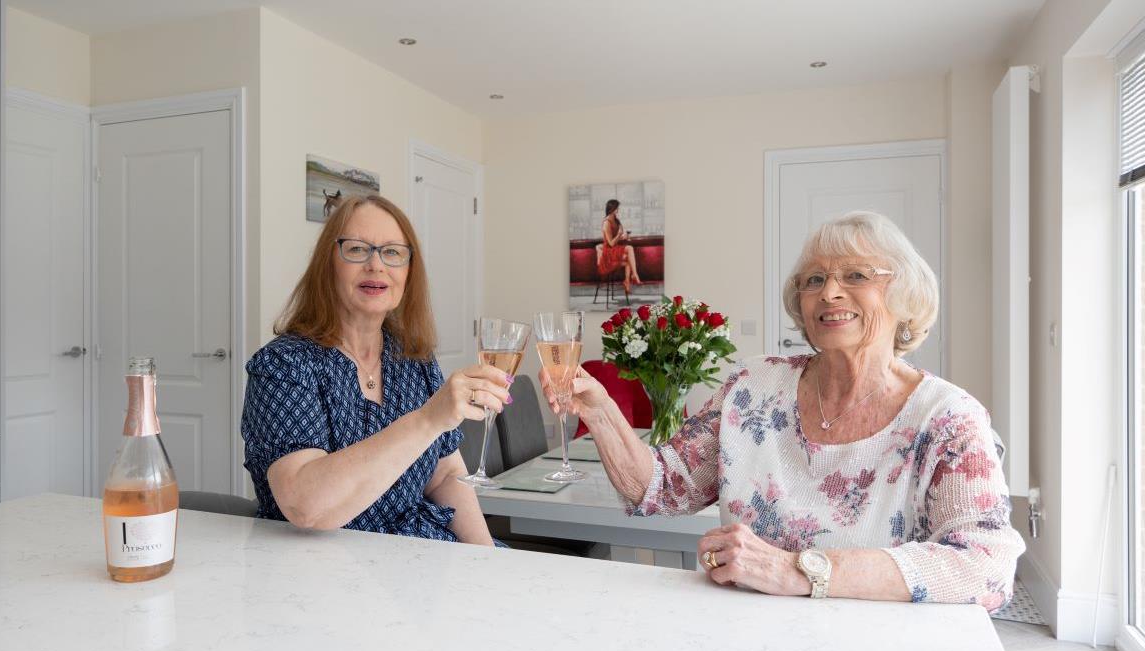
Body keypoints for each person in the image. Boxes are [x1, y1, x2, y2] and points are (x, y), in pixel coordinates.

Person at [546, 211, 1023, 607]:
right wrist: (601, 409)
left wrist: (798, 570)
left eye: (855, 275)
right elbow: (659, 488)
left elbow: (987, 569)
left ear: (905, 296)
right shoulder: (754, 387)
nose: (829, 292)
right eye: (814, 280)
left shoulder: (946, 418)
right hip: (744, 641)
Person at [242, 194, 508, 546]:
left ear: (409, 272)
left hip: (418, 556)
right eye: (356, 249)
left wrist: (485, 556)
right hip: (319, 574)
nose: (376, 265)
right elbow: (306, 507)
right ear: (328, 264)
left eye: (393, 252)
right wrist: (428, 419)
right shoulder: (285, 366)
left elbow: (445, 474)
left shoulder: (415, 359)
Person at [596, 199, 641, 297]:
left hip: (614, 250)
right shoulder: (606, 223)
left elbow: (617, 238)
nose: (618, 210)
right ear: (612, 208)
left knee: (629, 259)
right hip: (608, 252)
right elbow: (611, 243)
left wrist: (623, 236)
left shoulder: (616, 220)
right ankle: (634, 275)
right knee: (629, 248)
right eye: (617, 208)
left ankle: (627, 281)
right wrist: (620, 234)